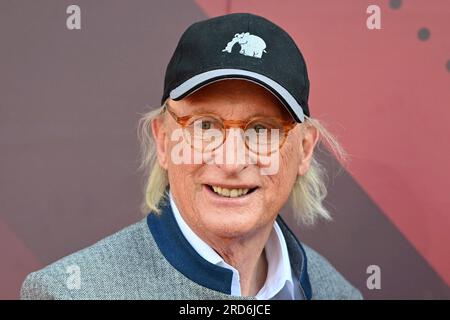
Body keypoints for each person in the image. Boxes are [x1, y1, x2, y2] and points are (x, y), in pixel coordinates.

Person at [21, 12, 362, 300]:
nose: (231, 161)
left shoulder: (338, 294)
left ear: (304, 149)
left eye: (261, 130)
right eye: (205, 126)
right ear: (164, 141)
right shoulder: (69, 293)